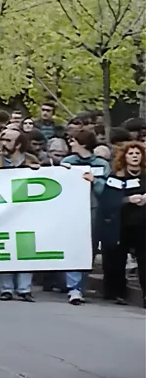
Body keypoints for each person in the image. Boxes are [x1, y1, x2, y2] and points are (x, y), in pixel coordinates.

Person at [61, 129, 110, 304]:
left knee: (89, 248)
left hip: (93, 210)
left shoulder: (101, 164)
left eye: (73, 140)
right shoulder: (67, 162)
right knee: (74, 246)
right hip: (72, 211)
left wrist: (95, 182)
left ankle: (81, 285)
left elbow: (106, 190)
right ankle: (73, 288)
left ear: (83, 143)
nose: (70, 143)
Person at [0, 129, 39, 302]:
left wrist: (38, 172)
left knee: (25, 248)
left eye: (8, 140)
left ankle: (24, 288)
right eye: (2, 139)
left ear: (18, 144)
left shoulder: (32, 161)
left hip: (25, 212)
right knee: (4, 248)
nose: (3, 143)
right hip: (1, 213)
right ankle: (6, 288)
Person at [98, 141, 146, 307]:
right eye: (131, 154)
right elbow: (108, 201)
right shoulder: (116, 177)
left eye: (137, 153)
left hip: (142, 225)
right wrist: (127, 200)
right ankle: (117, 293)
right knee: (116, 260)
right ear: (124, 157)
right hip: (121, 225)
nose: (134, 156)